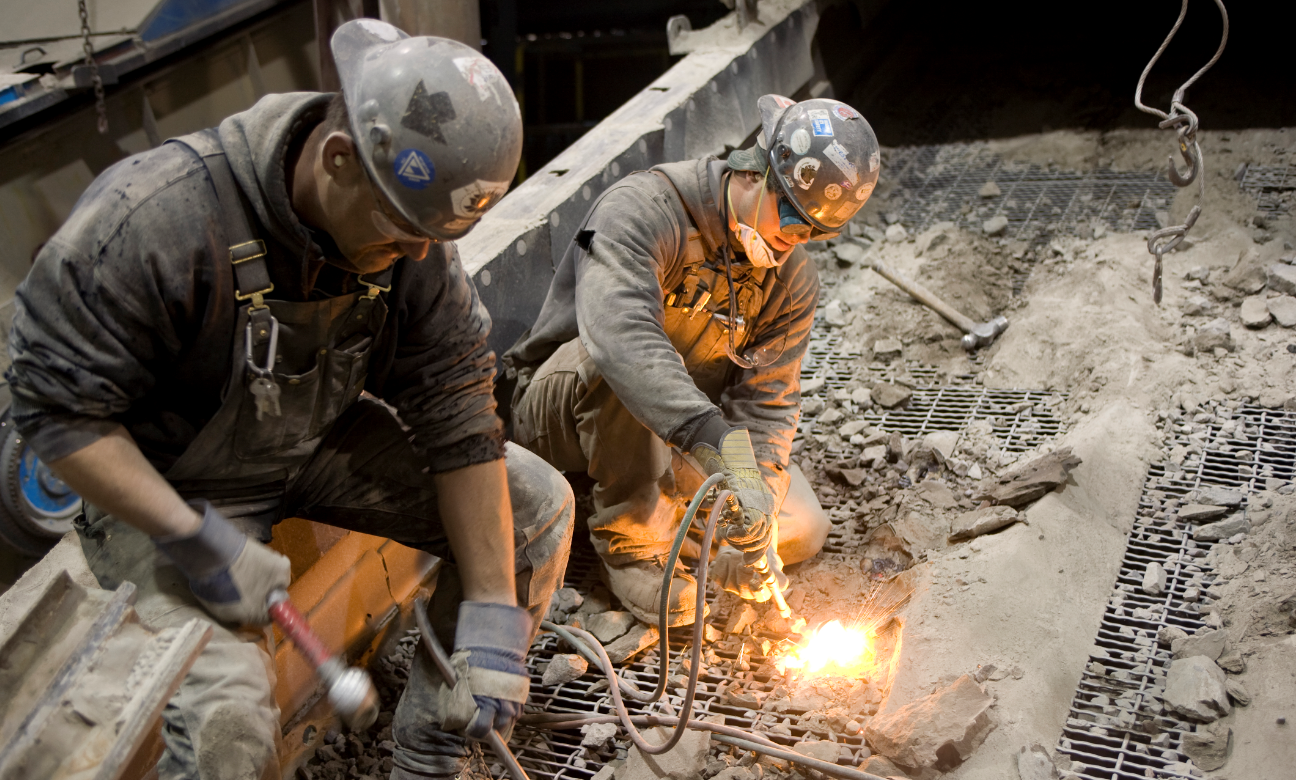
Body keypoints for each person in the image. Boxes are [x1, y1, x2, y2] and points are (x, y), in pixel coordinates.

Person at [5, 19, 572, 780]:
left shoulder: (410, 241)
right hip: (170, 485)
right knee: (228, 732)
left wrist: (497, 613)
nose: (416, 256)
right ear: (338, 159)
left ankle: (430, 756)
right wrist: (187, 532)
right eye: (403, 233)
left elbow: (456, 405)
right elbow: (52, 412)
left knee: (535, 511)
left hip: (311, 444)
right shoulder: (157, 221)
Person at [505, 94, 881, 626]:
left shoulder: (790, 278)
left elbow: (768, 405)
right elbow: (621, 339)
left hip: (679, 434)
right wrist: (716, 444)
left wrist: (757, 510)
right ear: (757, 170)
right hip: (562, 410)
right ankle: (635, 545)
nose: (795, 240)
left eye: (814, 233)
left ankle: (691, 536)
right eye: (793, 217)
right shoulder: (641, 210)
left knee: (800, 526)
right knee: (626, 365)